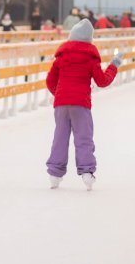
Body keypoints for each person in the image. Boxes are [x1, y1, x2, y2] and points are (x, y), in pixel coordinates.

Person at [45, 20, 121, 190]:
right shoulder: (90, 58)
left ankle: (55, 174)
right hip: (81, 104)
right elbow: (102, 81)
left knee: (60, 138)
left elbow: (50, 80)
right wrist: (113, 66)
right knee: (83, 139)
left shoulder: (61, 57)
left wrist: (58, 93)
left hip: (61, 104)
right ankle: (87, 172)